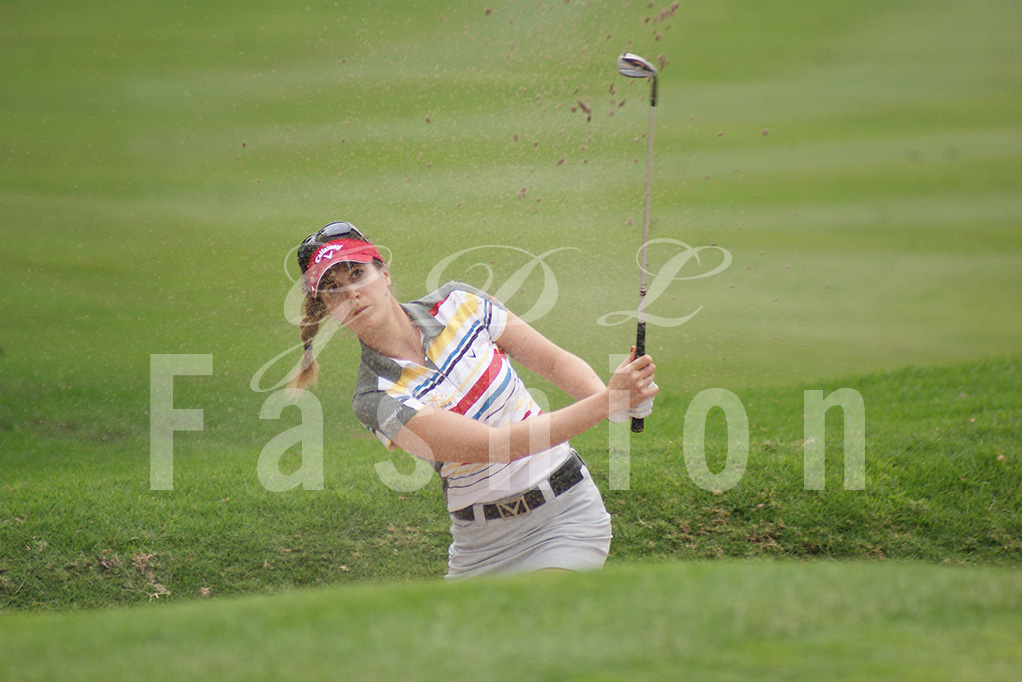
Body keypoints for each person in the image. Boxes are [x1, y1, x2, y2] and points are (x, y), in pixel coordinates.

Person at [289, 221, 658, 578]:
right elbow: (494, 446)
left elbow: (554, 362)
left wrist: (618, 403)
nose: (351, 292)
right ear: (326, 310)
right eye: (333, 290)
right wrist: (606, 402)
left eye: (357, 274)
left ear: (383, 275)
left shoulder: (459, 302)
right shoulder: (374, 397)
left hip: (565, 516)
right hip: (480, 549)